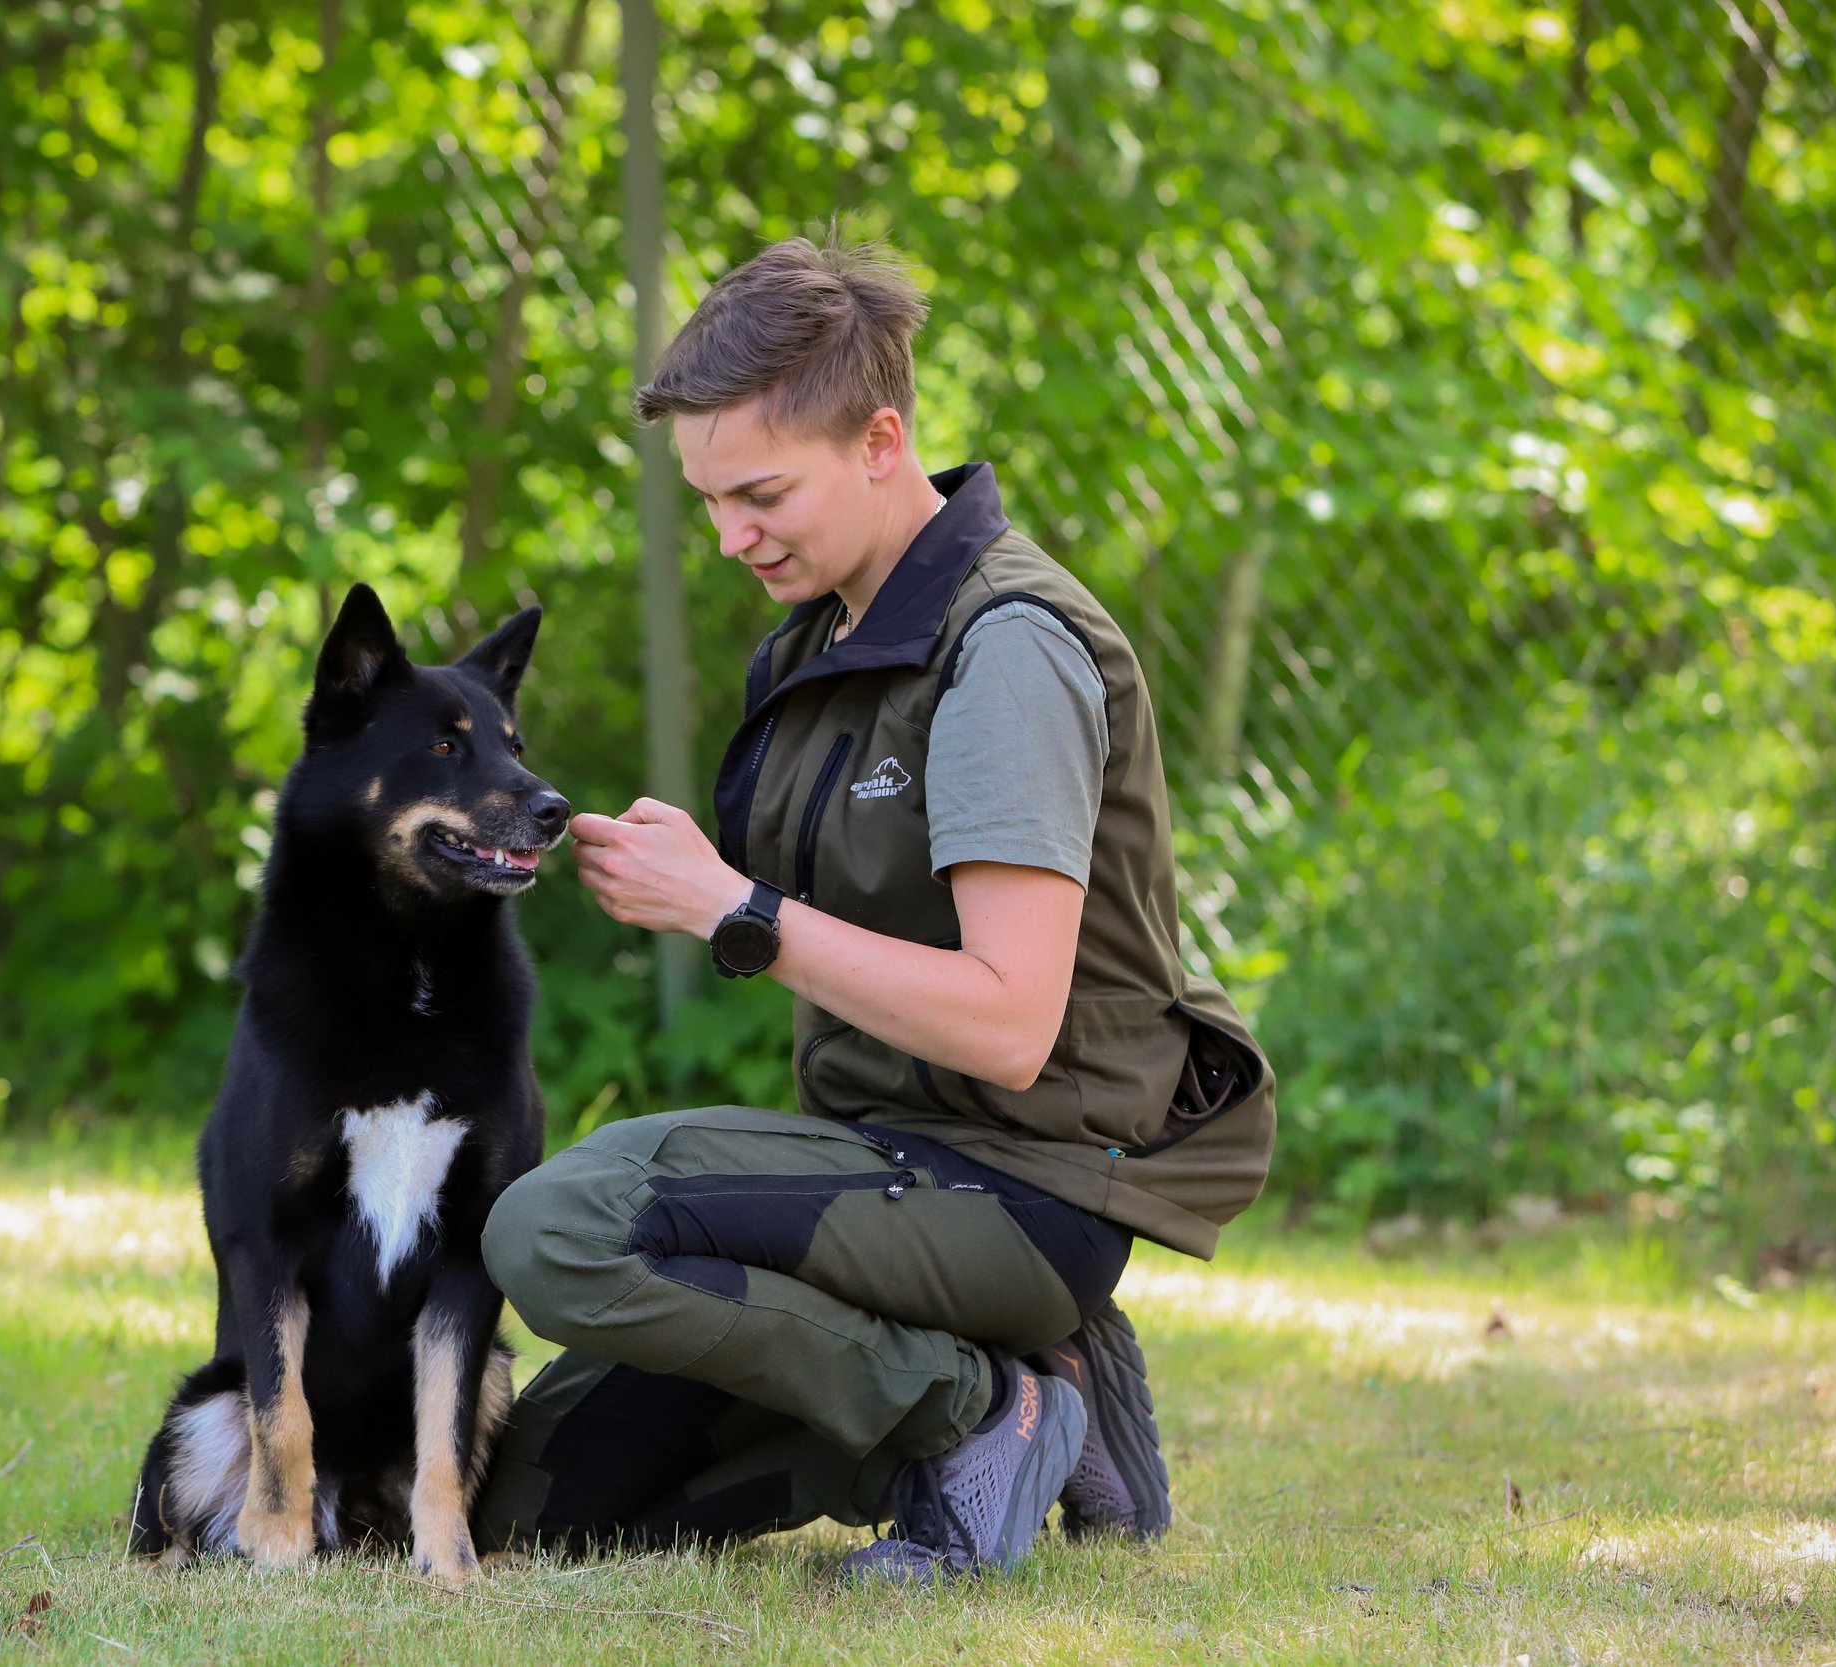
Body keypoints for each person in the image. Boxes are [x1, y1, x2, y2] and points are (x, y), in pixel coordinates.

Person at [472, 235, 1276, 1584]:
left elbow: (1013, 1024)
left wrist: (733, 907)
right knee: (533, 1509)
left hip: (1018, 1191)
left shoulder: (1005, 650)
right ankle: (1032, 1401)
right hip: (878, 1182)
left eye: (762, 494)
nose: (731, 536)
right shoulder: (823, 639)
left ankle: (988, 1405)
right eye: (711, 501)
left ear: (882, 441)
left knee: (555, 1228)